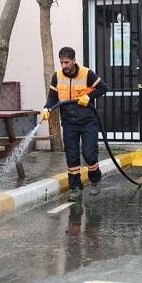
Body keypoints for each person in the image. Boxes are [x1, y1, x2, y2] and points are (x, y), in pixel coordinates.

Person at [41, 47, 108, 202]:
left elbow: (103, 88)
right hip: (69, 122)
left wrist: (88, 96)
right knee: (71, 157)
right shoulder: (57, 77)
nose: (64, 65)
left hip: (87, 122)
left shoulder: (86, 73)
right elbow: (52, 97)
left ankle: (95, 181)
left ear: (73, 60)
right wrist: (47, 108)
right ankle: (76, 188)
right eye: (61, 62)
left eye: (67, 62)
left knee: (89, 154)